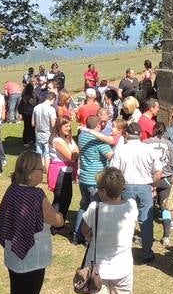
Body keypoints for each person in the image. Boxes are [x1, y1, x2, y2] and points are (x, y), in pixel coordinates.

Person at [0, 153, 65, 294]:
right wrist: (60, 216)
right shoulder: (36, 196)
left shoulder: (12, 190)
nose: (42, 174)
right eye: (39, 170)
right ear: (29, 172)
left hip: (13, 253)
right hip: (32, 256)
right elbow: (56, 221)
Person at [110, 122, 162, 263]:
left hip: (126, 186)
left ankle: (122, 249)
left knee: (124, 219)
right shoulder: (149, 149)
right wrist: (153, 185)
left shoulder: (120, 150)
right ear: (140, 135)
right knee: (145, 220)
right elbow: (158, 171)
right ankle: (147, 252)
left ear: (126, 134)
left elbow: (113, 171)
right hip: (144, 185)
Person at [72, 113, 113, 243]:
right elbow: (110, 155)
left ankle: (77, 235)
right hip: (95, 179)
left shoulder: (82, 137)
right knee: (95, 209)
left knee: (84, 206)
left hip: (84, 177)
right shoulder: (97, 141)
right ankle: (89, 237)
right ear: (97, 125)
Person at [146, 122, 173, 249]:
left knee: (147, 208)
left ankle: (146, 235)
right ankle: (166, 236)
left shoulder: (146, 143)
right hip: (165, 179)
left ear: (154, 130)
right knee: (165, 208)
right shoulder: (169, 144)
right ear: (164, 132)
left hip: (150, 178)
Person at [48, 118, 79, 229]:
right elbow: (71, 157)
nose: (69, 128)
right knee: (60, 199)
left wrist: (75, 153)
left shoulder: (67, 139)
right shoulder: (57, 141)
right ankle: (55, 225)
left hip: (66, 171)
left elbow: (76, 151)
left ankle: (59, 223)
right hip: (60, 172)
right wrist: (74, 154)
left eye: (70, 126)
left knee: (67, 198)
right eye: (66, 126)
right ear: (59, 127)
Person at [31, 91, 57, 161]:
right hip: (48, 133)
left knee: (39, 155)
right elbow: (53, 124)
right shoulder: (51, 109)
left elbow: (33, 123)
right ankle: (46, 171)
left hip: (39, 133)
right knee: (47, 155)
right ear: (53, 99)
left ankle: (39, 169)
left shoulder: (36, 108)